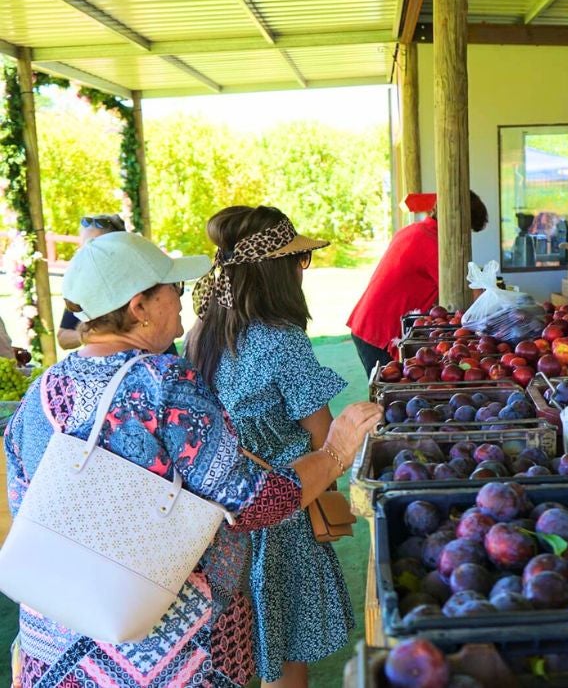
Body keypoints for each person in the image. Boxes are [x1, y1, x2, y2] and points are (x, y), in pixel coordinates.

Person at [5, 231, 381, 687]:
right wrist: (337, 451)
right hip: (172, 649)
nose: (182, 301)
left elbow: (25, 508)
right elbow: (251, 503)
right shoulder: (164, 382)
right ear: (139, 307)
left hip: (59, 641)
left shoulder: (40, 390)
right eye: (173, 290)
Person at [186, 206, 352, 688]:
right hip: (282, 509)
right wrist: (332, 487)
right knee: (281, 654)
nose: (303, 270)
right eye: (298, 260)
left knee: (237, 649)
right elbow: (325, 438)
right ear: (275, 270)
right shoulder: (283, 340)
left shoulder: (202, 335)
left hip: (217, 514)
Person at [347, 190, 489, 376]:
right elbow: (470, 293)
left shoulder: (414, 230)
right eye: (468, 230)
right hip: (380, 330)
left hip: (368, 323)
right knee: (389, 393)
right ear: (460, 223)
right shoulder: (433, 245)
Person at [57, 214, 179, 355]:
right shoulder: (85, 291)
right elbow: (63, 338)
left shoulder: (145, 276)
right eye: (84, 247)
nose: (89, 253)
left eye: (98, 246)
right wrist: (95, 333)